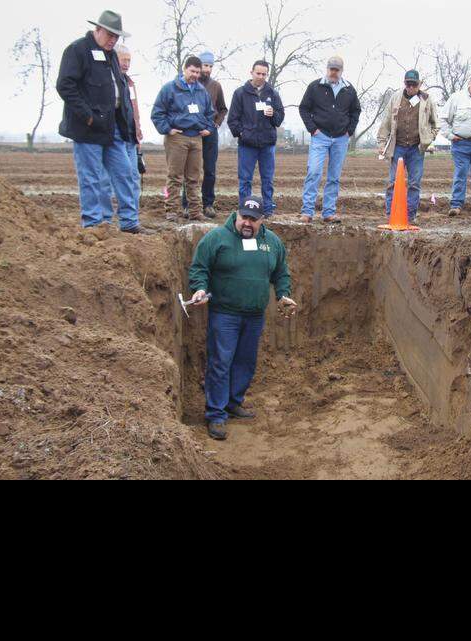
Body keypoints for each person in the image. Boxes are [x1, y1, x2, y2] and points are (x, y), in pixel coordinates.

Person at [187, 196, 297, 441]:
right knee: (221, 362)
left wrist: (283, 295)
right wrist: (199, 288)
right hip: (224, 313)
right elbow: (199, 268)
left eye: (253, 219)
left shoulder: (272, 242)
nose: (247, 223)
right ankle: (215, 413)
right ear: (236, 215)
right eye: (244, 217)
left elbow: (281, 272)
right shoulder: (216, 239)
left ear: (262, 220)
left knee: (245, 362)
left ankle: (233, 402)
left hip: (254, 315)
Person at [56, 10, 143, 233]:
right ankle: (93, 224)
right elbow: (65, 86)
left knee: (125, 172)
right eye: (109, 34)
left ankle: (129, 223)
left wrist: (127, 124)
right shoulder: (78, 50)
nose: (113, 40)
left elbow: (119, 89)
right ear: (97, 29)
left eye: (116, 36)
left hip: (112, 126)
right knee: (92, 177)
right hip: (87, 128)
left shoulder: (112, 55)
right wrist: (87, 115)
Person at [151, 56, 215, 222]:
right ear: (184, 69)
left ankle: (195, 212)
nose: (195, 75)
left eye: (198, 72)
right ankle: (171, 210)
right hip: (177, 138)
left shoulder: (202, 91)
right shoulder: (170, 89)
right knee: (175, 176)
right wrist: (167, 129)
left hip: (196, 138)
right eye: (192, 71)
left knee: (194, 178)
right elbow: (157, 113)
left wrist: (208, 128)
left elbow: (210, 113)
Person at [298, 56, 361, 224]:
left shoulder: (349, 90)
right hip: (320, 137)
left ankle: (328, 213)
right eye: (331, 69)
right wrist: (313, 129)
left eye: (337, 69)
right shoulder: (315, 87)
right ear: (327, 69)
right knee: (314, 172)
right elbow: (304, 108)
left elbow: (356, 111)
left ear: (341, 71)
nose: (334, 72)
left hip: (341, 139)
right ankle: (307, 212)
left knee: (334, 177)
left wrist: (349, 131)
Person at [376, 70, 440, 223]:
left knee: (414, 183)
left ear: (419, 84)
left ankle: (410, 216)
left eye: (414, 84)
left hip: (416, 148)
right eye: (408, 84)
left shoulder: (427, 99)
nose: (411, 87)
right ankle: (390, 214)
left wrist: (427, 139)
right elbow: (385, 122)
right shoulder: (395, 98)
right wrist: (381, 143)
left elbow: (435, 124)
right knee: (393, 182)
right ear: (404, 83)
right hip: (397, 147)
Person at [228, 61, 285, 218]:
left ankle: (267, 209)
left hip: (267, 144)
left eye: (264, 74)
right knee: (245, 180)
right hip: (247, 145)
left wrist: (273, 113)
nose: (260, 77)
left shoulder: (273, 94)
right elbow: (232, 119)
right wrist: (242, 134)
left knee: (268, 180)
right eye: (258, 73)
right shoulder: (240, 93)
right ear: (251, 72)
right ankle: (246, 210)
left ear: (267, 74)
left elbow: (279, 119)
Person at [180, 51, 227, 219]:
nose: (207, 69)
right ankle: (187, 205)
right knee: (190, 170)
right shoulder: (190, 85)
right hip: (192, 133)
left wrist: (216, 124)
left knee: (210, 170)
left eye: (210, 66)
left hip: (210, 133)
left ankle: (208, 204)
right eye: (205, 65)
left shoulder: (216, 86)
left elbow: (222, 109)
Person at [101, 44, 142, 227]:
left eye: (129, 61)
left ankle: (130, 220)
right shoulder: (108, 80)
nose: (126, 64)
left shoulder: (129, 83)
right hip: (113, 136)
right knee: (106, 180)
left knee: (132, 178)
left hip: (130, 137)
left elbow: (134, 111)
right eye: (123, 60)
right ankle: (105, 221)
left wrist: (138, 133)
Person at [442, 70, 471, 216]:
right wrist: (450, 135)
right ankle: (456, 205)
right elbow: (443, 119)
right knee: (460, 174)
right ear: (470, 81)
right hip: (460, 144)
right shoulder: (456, 98)